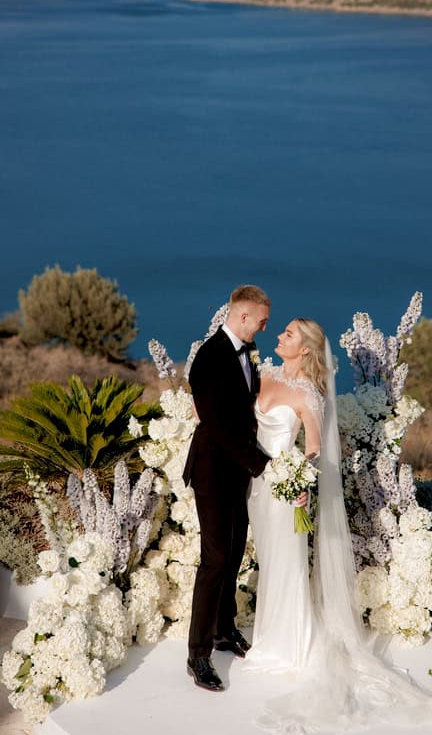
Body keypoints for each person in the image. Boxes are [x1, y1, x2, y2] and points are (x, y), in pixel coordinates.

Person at [245, 317, 432, 731]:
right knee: (268, 560)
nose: (279, 336)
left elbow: (314, 450)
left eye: (289, 335)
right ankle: (268, 635)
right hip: (256, 488)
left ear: (306, 350)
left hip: (285, 493)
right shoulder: (266, 373)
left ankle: (288, 646)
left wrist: (299, 480)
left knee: (289, 564)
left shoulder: (309, 395)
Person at [183, 284, 271, 693]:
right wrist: (260, 462)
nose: (264, 328)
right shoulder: (209, 357)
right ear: (242, 316)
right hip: (214, 471)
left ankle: (223, 629)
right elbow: (217, 425)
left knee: (235, 551)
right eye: (262, 321)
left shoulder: (245, 353)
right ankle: (197, 656)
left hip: (236, 472)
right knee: (214, 560)